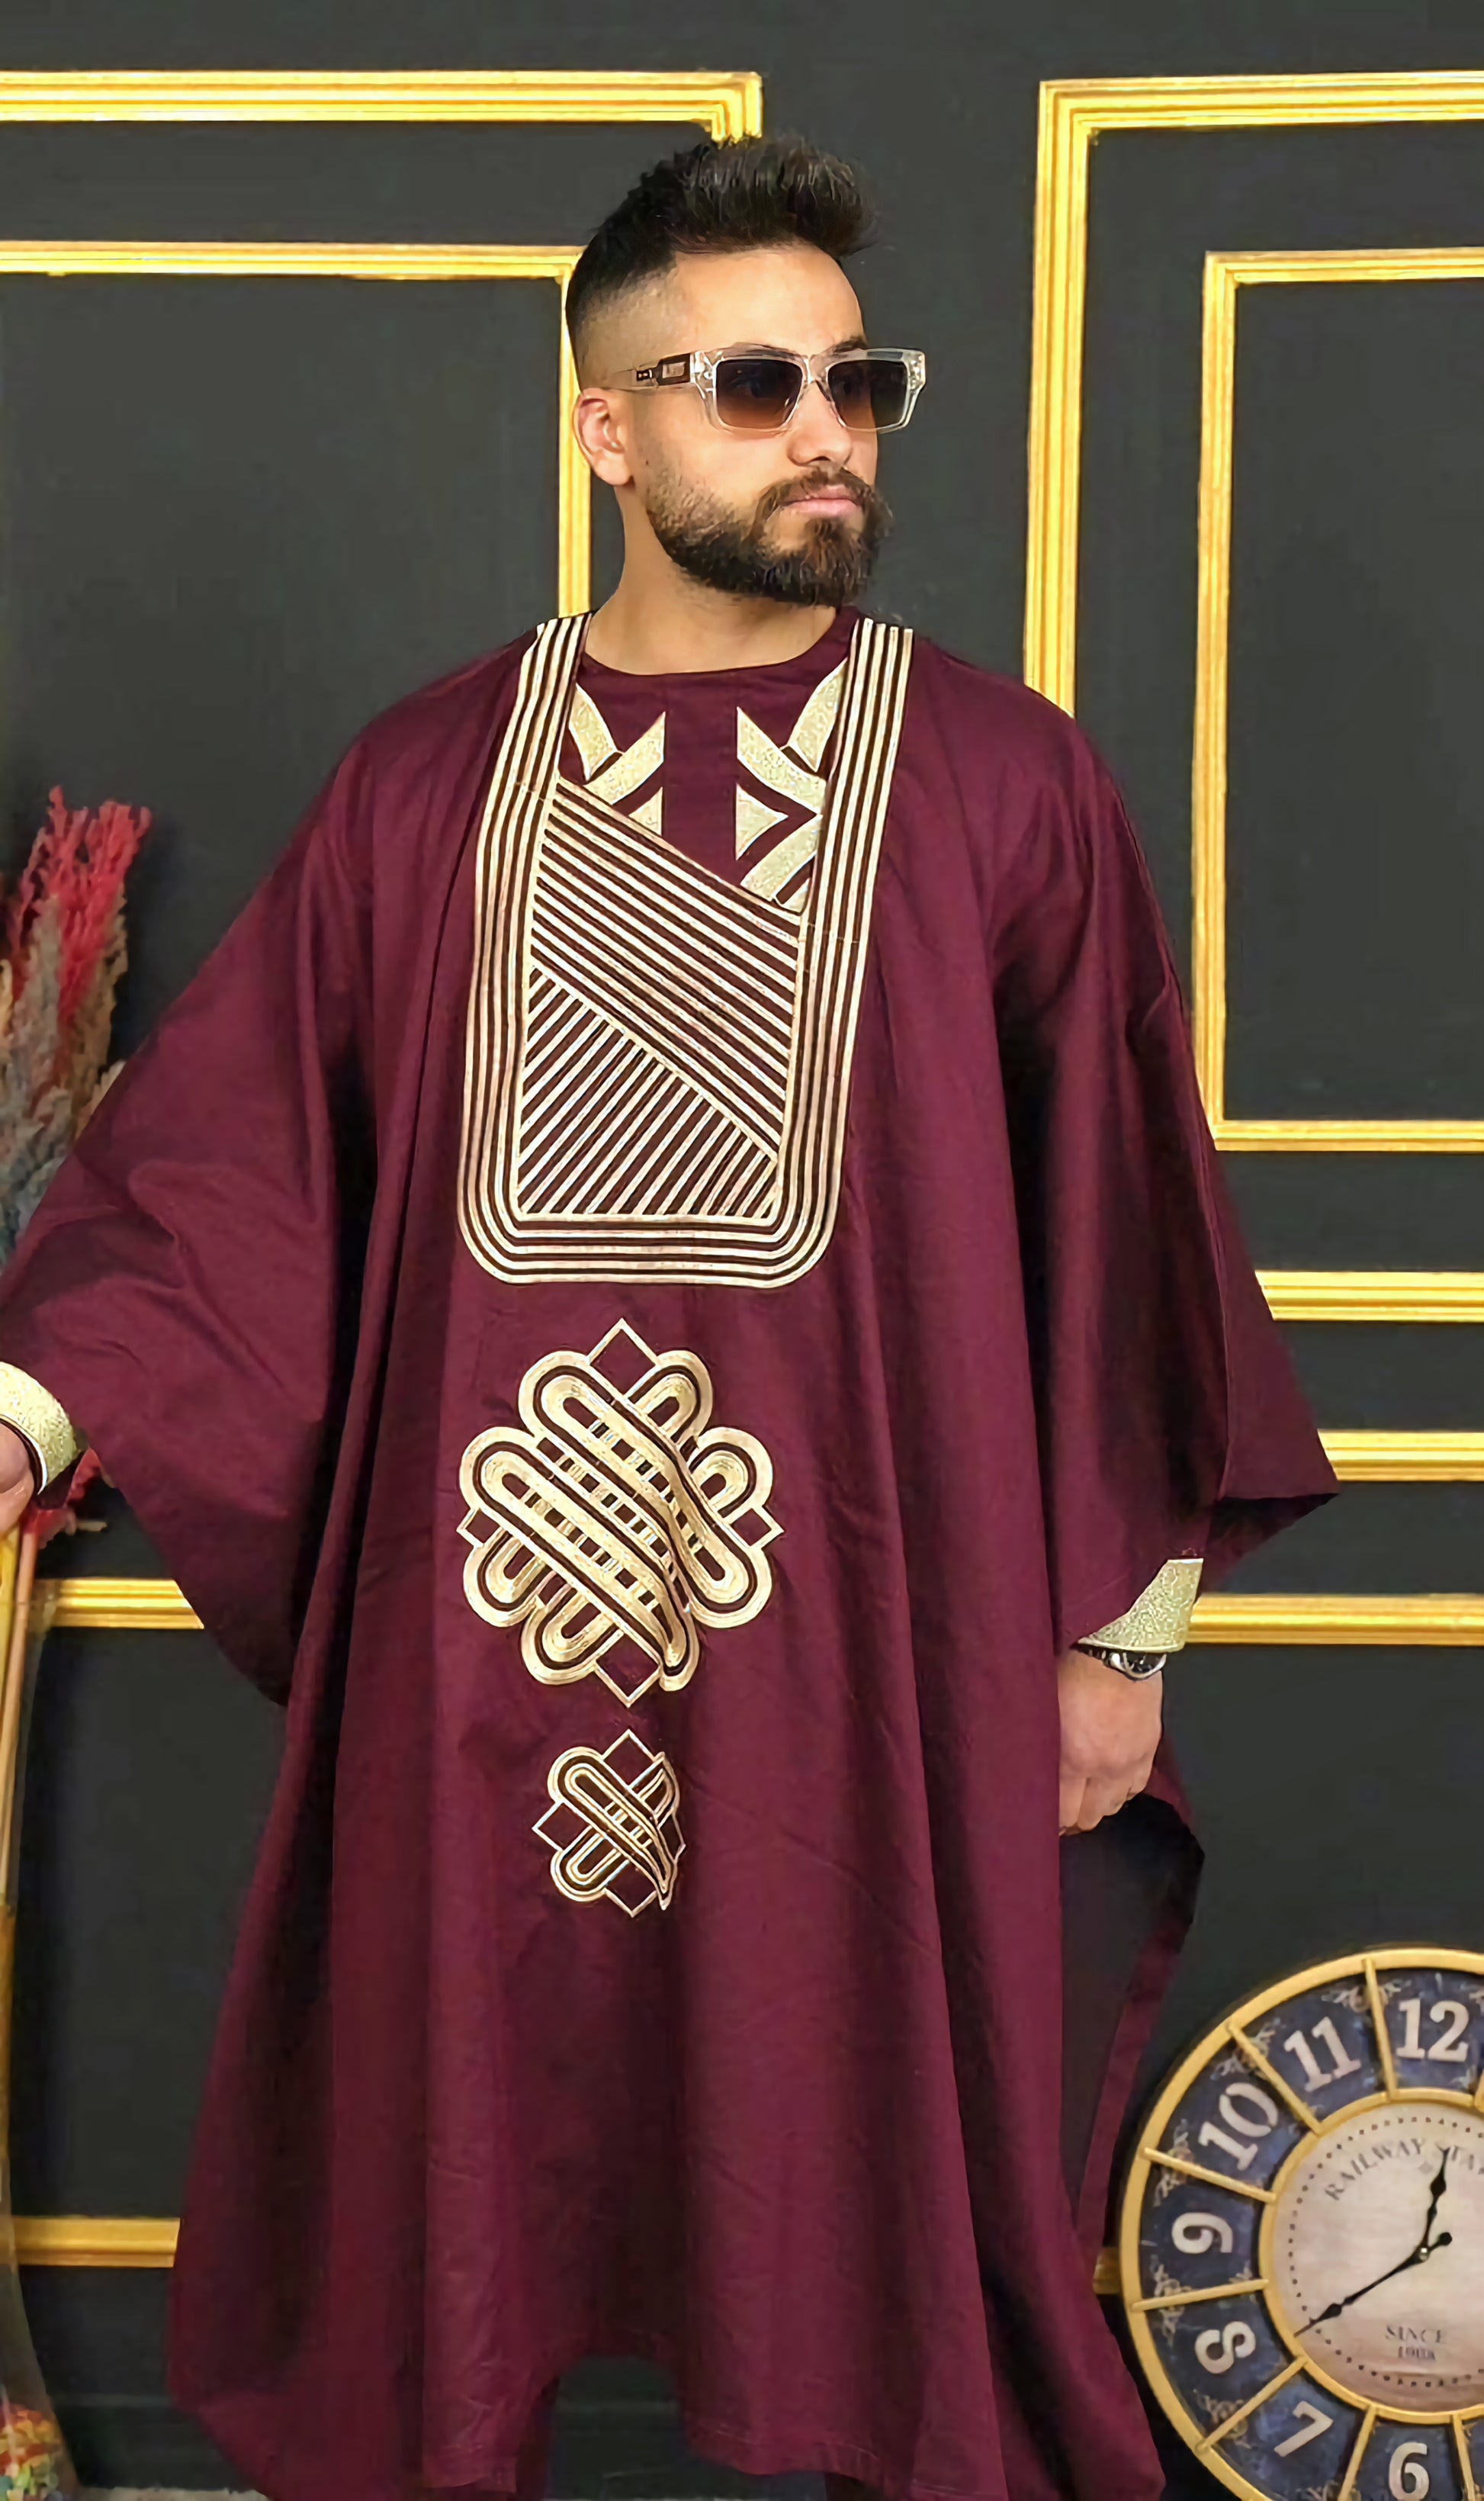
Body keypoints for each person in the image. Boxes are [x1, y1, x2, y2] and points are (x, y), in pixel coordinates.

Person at [0, 137, 1338, 2501]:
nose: (824, 432)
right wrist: (25, 1411)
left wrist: (1116, 1639)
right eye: (749, 385)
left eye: (852, 382)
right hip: (481, 1665)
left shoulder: (1000, 785)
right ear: (605, 426)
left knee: (884, 2206)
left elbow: (1119, 1220)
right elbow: (229, 1176)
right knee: (468, 2196)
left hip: (877, 1661)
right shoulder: (427, 787)